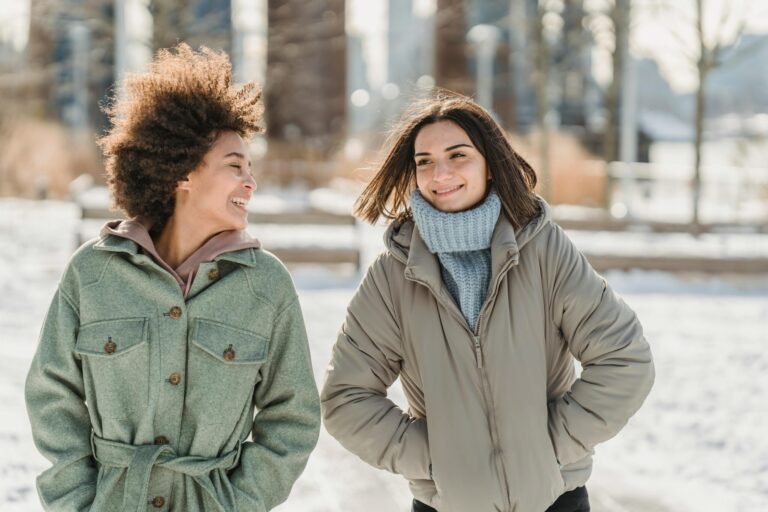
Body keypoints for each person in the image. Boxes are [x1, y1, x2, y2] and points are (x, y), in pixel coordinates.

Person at [320, 92, 655, 512]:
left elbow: (625, 359)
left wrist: (551, 446)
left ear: (490, 164)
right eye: (424, 161)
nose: (439, 172)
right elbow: (345, 398)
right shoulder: (393, 275)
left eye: (457, 155)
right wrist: (435, 460)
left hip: (556, 500)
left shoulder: (543, 249)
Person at [25, 44, 320, 512]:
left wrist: (240, 502)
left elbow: (294, 417)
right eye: (234, 166)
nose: (251, 182)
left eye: (251, 169)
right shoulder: (94, 273)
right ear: (182, 173)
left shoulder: (265, 286)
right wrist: (75, 502)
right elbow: (51, 394)